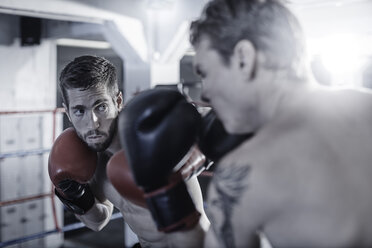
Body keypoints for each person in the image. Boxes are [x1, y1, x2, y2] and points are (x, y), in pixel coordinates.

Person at [188, 0, 372, 247]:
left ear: (243, 58)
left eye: (204, 73)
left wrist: (172, 212)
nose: (205, 93)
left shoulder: (245, 170)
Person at [49, 55, 210, 247]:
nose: (92, 123)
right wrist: (73, 194)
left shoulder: (148, 135)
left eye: (100, 107)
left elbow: (216, 120)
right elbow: (97, 222)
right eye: (79, 111)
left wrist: (195, 155)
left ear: (117, 101)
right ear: (67, 112)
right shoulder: (91, 160)